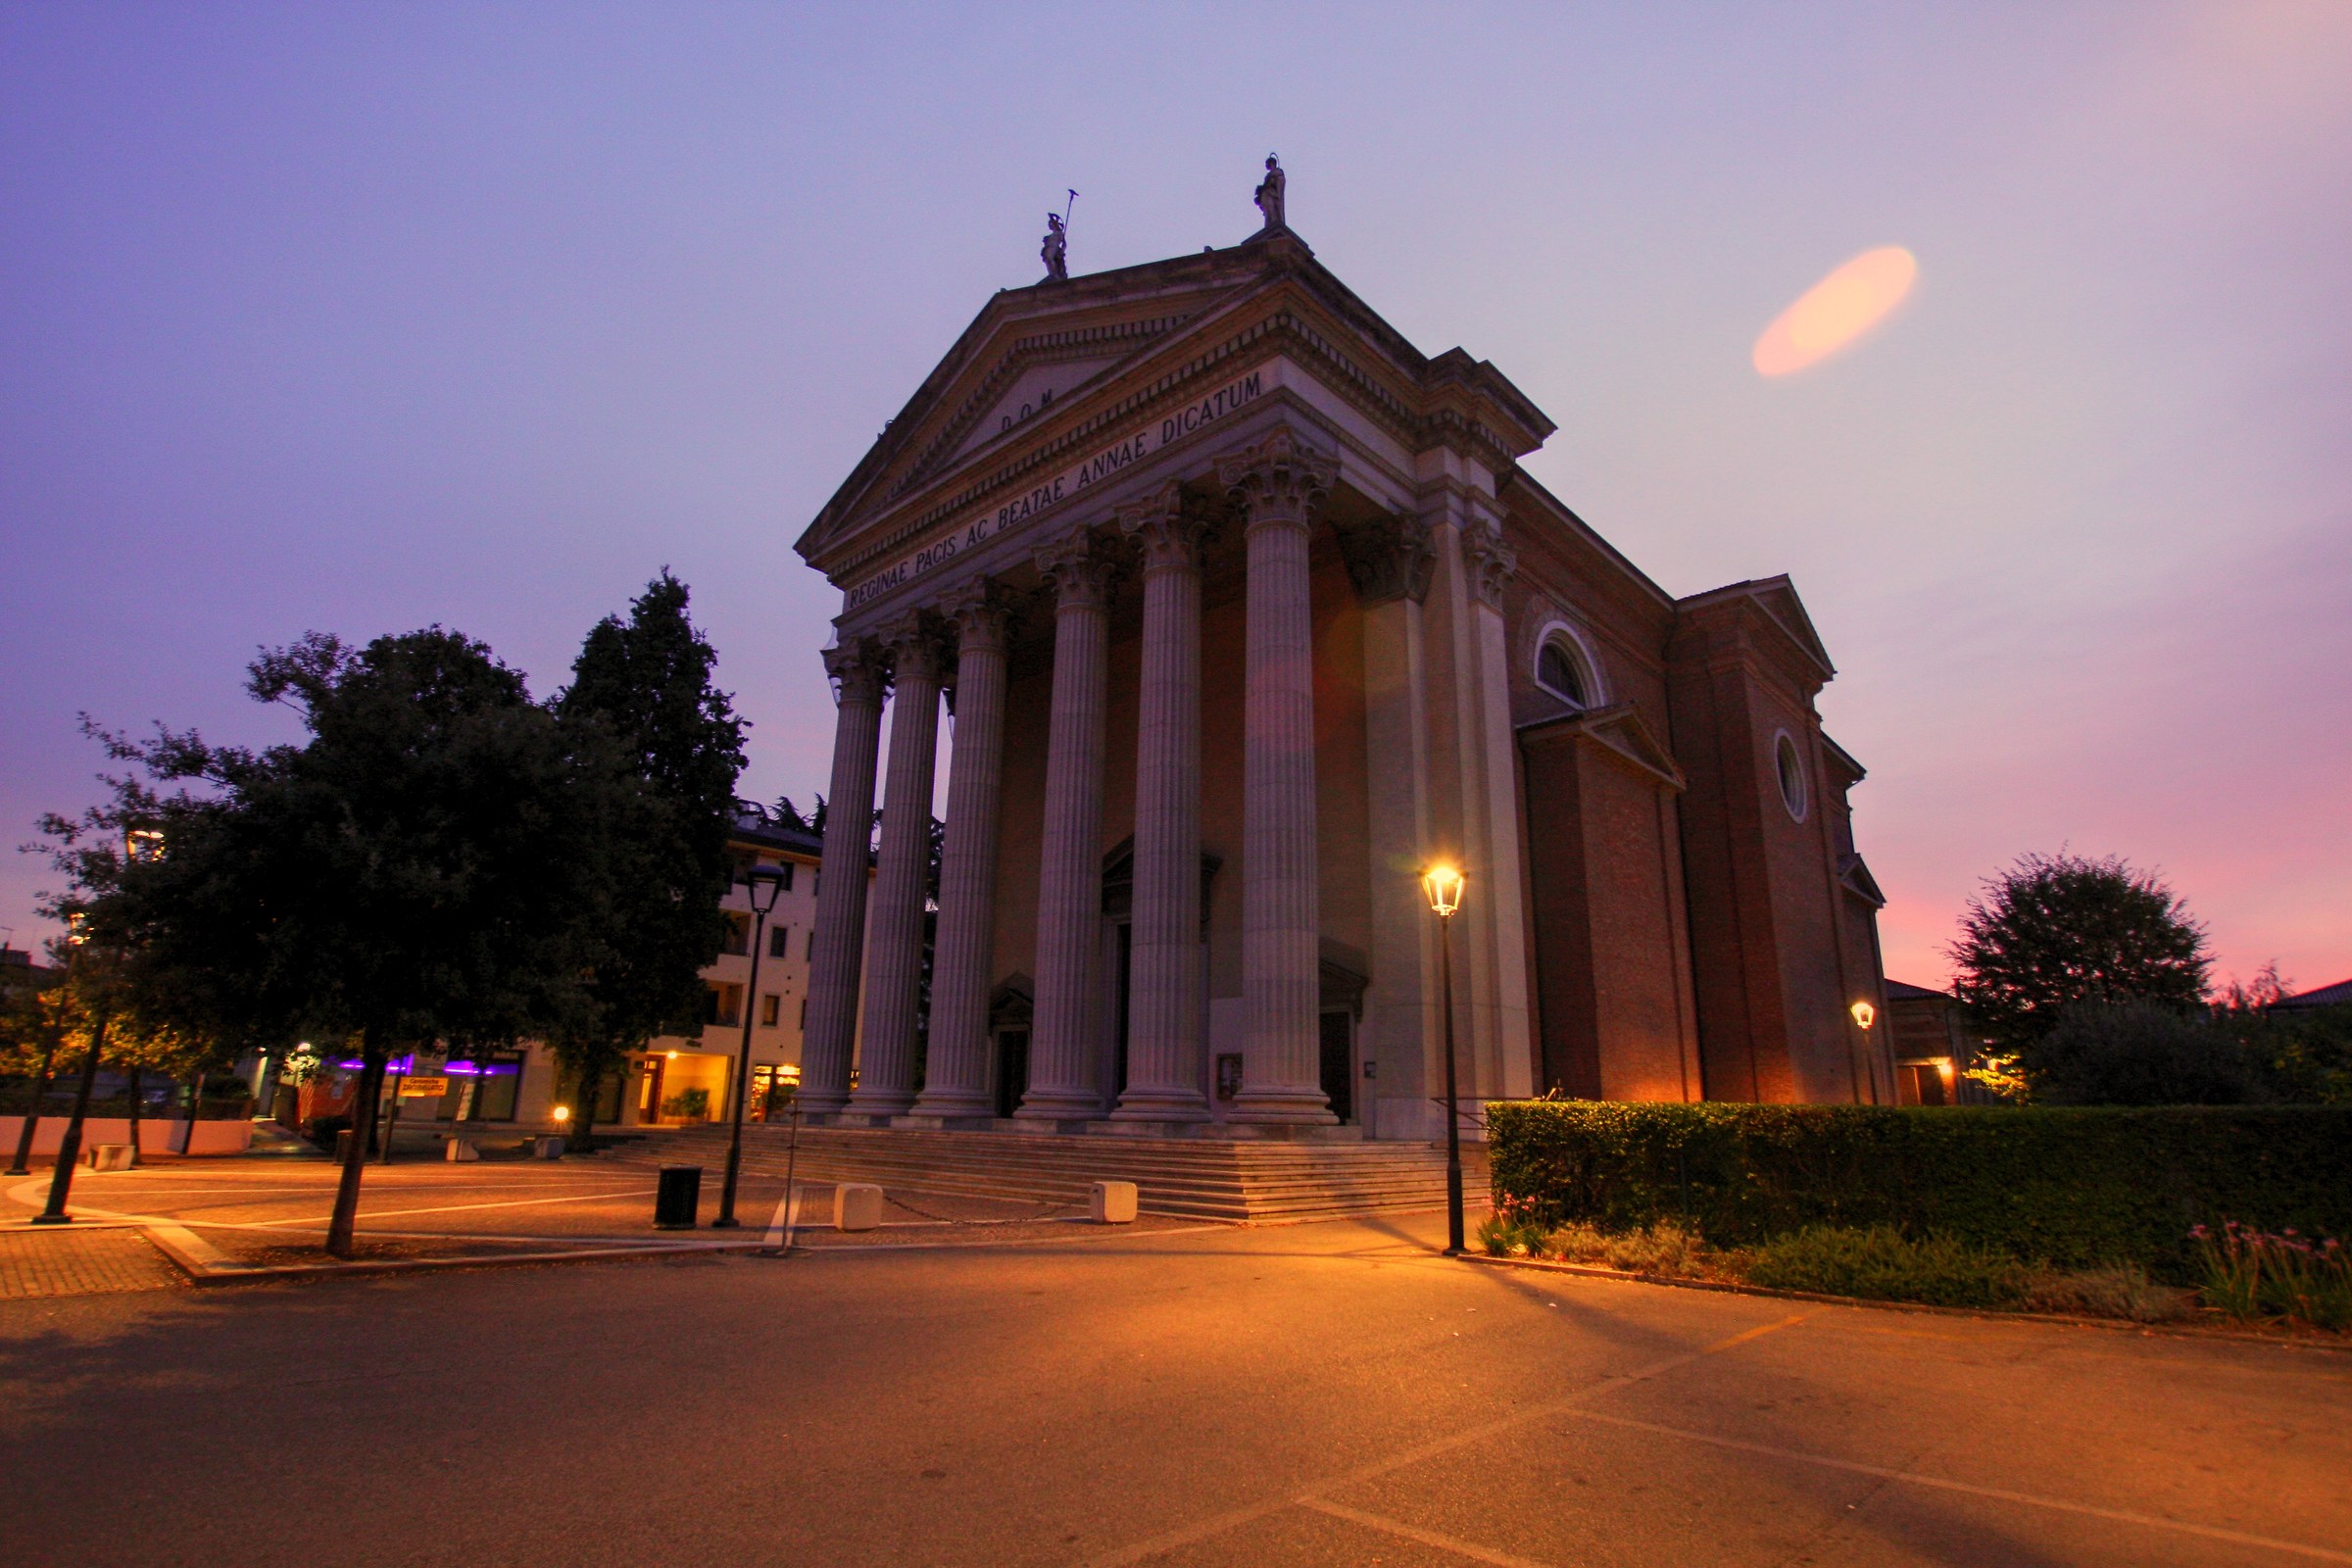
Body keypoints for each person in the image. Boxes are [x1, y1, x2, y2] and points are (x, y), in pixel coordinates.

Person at [1253, 154, 1286, 229]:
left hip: (1273, 195)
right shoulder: (1269, 175)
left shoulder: (1278, 172)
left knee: (1272, 211)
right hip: (1267, 195)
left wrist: (1266, 186)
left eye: (1267, 164)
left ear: (1272, 163)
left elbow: (1279, 183)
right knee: (1268, 212)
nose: (1266, 165)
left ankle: (1275, 226)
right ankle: (1271, 226)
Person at [1042, 212, 1068, 281]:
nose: (1049, 225)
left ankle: (1055, 275)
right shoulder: (1050, 235)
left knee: (1049, 258)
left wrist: (1062, 251)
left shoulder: (1059, 233)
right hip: (1048, 247)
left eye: (1050, 223)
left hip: (1054, 247)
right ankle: (1052, 273)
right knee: (1047, 260)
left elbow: (1064, 244)